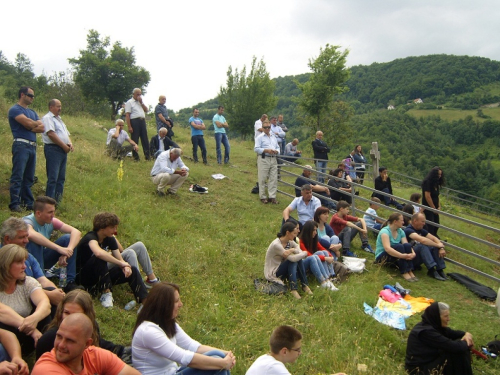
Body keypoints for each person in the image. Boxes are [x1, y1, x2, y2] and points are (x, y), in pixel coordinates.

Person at [132, 282, 236, 374]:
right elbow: (184, 357)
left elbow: (194, 347)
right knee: (217, 366)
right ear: (164, 305)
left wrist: (226, 354)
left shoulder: (167, 323)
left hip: (174, 371)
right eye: (176, 301)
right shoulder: (148, 332)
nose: (180, 304)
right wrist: (222, 363)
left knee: (217, 355)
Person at [75, 212, 148, 308]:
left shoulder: (109, 239)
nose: (115, 230)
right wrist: (121, 263)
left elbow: (119, 256)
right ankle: (106, 293)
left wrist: (125, 266)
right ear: (102, 227)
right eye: (113, 227)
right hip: (83, 277)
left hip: (100, 276)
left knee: (133, 270)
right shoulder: (90, 237)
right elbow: (98, 253)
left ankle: (146, 304)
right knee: (100, 258)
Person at [36, 290, 130, 363]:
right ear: (61, 312)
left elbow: (99, 347)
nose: (70, 318)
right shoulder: (49, 338)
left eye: (76, 314)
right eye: (66, 313)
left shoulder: (91, 328)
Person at [33, 313, 139, 375]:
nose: (61, 345)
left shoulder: (95, 356)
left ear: (87, 344)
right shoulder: (46, 369)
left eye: (70, 340)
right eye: (59, 336)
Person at [1, 217, 65, 311]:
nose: (26, 240)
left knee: (51, 291)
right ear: (7, 239)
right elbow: (12, 287)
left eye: (27, 236)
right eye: (21, 237)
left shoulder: (28, 257)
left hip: (33, 297)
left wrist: (57, 293)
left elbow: (42, 279)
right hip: (9, 303)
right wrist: (49, 294)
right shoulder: (2, 257)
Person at [0, 244, 51, 355]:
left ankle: (44, 353)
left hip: (24, 335)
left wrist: (34, 318)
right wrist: (33, 330)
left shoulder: (28, 282)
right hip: (4, 337)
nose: (24, 267)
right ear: (6, 265)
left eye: (24, 262)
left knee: (45, 314)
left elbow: (45, 303)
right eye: (19, 263)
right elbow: (3, 312)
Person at [24, 196, 81, 292]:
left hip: (42, 258)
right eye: (50, 212)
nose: (53, 215)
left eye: (53, 211)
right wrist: (58, 248)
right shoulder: (27, 221)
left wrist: (67, 251)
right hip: (28, 262)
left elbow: (76, 232)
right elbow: (31, 234)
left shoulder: (51, 221)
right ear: (38, 213)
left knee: (68, 238)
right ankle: (41, 279)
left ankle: (69, 282)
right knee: (34, 241)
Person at [405, 302, 473, 375]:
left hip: (431, 360)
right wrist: (467, 343)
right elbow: (454, 346)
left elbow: (454, 333)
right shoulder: (426, 332)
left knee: (458, 349)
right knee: (455, 353)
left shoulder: (433, 325)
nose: (448, 319)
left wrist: (467, 334)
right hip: (419, 369)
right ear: (437, 316)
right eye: (445, 316)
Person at [8, 86, 45, 213]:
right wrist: (31, 124)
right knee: (18, 174)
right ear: (22, 95)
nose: (32, 98)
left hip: (32, 145)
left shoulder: (32, 112)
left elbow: (42, 127)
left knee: (29, 176)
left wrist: (30, 125)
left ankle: (27, 202)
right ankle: (14, 203)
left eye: (33, 96)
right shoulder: (15, 109)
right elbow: (30, 124)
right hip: (21, 144)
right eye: (30, 95)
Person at [264, 222, 311, 299]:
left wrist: (296, 251)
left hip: (281, 268)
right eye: (294, 233)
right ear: (287, 233)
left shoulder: (290, 242)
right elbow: (293, 258)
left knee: (297, 259)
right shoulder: (276, 244)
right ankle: (294, 288)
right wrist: (304, 253)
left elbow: (299, 251)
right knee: (293, 260)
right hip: (273, 272)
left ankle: (304, 285)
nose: (295, 235)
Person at [41, 99, 73, 203]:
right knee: (53, 178)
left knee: (61, 178)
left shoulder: (59, 120)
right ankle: (49, 202)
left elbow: (66, 134)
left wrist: (70, 143)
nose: (60, 108)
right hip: (53, 149)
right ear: (51, 107)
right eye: (58, 106)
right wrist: (64, 146)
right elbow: (51, 134)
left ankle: (57, 201)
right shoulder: (48, 118)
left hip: (62, 150)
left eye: (60, 106)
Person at [374, 212, 417, 282]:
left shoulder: (400, 231)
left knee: (407, 245)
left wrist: (413, 253)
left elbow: (406, 243)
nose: (403, 222)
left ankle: (410, 270)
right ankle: (404, 271)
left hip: (395, 255)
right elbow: (387, 249)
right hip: (382, 257)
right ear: (395, 222)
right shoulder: (385, 232)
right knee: (399, 246)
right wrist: (402, 256)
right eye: (402, 220)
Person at [404, 213, 447, 281]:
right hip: (410, 258)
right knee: (422, 246)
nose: (424, 224)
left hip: (417, 257)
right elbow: (422, 240)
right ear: (415, 221)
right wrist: (437, 245)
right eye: (422, 221)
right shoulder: (408, 230)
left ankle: (440, 269)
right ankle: (431, 270)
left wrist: (440, 247)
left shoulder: (421, 230)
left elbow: (433, 238)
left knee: (434, 246)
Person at [299, 221, 338, 291]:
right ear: (308, 231)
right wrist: (325, 258)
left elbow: (322, 248)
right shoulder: (301, 242)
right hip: (306, 262)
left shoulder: (313, 240)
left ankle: (330, 277)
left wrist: (330, 256)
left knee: (322, 252)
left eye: (316, 230)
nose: (315, 232)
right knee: (319, 254)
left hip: (314, 260)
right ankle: (325, 280)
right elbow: (308, 255)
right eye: (313, 230)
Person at [313, 208, 350, 282]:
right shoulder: (313, 226)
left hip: (329, 250)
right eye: (325, 214)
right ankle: (333, 263)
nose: (327, 216)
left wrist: (339, 244)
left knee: (335, 237)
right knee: (326, 238)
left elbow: (334, 236)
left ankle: (333, 262)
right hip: (318, 249)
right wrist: (335, 249)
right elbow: (318, 240)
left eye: (328, 214)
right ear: (318, 216)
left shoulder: (326, 226)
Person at [254, 120, 280, 204]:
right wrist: (266, 150)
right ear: (262, 128)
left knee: (273, 178)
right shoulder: (259, 137)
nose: (267, 129)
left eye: (269, 127)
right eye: (265, 127)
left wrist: (276, 151)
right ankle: (263, 196)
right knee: (262, 178)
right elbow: (256, 149)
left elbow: (278, 147)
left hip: (273, 158)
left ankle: (272, 196)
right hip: (264, 158)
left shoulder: (273, 137)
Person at [125, 88, 150, 161]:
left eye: (140, 94)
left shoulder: (140, 102)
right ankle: (136, 157)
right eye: (137, 94)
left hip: (142, 121)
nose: (139, 96)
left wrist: (141, 102)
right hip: (134, 121)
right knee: (135, 139)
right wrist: (129, 126)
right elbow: (127, 115)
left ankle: (147, 156)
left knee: (145, 139)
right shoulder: (129, 102)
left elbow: (146, 110)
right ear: (133, 94)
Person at [422, 167, 444, 237]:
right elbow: (427, 196)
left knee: (437, 224)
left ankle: (435, 237)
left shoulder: (436, 184)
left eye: (440, 175)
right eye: (438, 175)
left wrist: (439, 206)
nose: (439, 177)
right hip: (428, 206)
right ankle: (431, 238)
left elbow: (437, 196)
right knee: (430, 224)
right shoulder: (427, 182)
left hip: (435, 207)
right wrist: (433, 208)